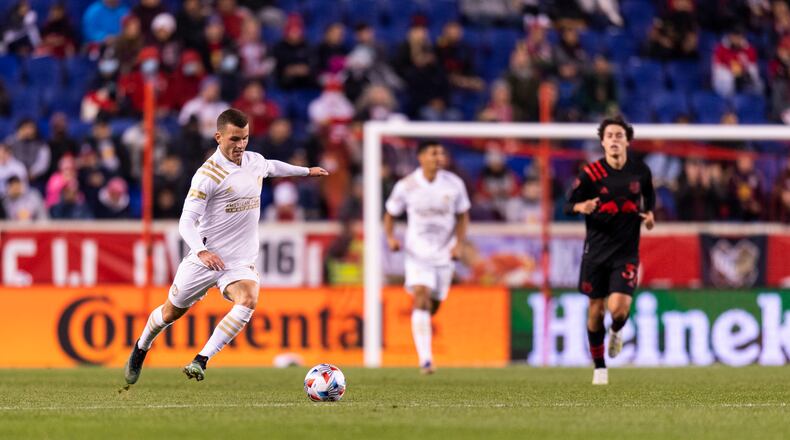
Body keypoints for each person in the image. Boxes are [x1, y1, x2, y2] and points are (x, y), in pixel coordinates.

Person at [123, 108, 328, 385]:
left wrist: (306, 171)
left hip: (239, 261)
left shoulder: (254, 161)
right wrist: (202, 252)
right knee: (171, 312)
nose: (240, 145)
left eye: (245, 138)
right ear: (218, 137)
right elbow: (186, 222)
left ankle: (201, 360)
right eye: (234, 139)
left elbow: (273, 167)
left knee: (249, 298)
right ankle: (141, 347)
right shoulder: (207, 175)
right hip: (205, 259)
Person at [564, 116, 655, 385]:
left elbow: (649, 198)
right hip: (596, 252)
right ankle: (600, 367)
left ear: (627, 140)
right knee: (595, 311)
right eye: (609, 136)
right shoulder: (590, 175)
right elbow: (568, 206)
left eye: (619, 135)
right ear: (602, 142)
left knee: (618, 310)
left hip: (626, 252)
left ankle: (616, 330)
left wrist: (649, 215)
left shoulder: (641, 172)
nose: (614, 140)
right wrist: (582, 208)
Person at [383, 140, 470, 374]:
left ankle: (423, 326)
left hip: (443, 254)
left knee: (433, 304)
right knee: (420, 295)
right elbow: (390, 213)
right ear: (421, 157)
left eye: (441, 153)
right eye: (433, 153)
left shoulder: (454, 184)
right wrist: (390, 237)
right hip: (416, 253)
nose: (438, 157)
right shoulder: (407, 185)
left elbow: (463, 216)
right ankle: (426, 359)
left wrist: (459, 244)